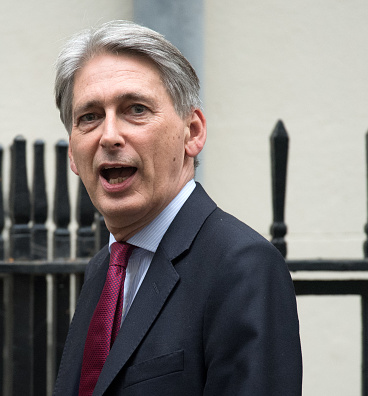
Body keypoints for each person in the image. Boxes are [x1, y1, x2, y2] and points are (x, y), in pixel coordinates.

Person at [52, 20, 302, 396]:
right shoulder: (103, 271)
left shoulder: (241, 266)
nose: (109, 135)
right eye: (89, 117)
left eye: (135, 109)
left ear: (193, 132)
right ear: (72, 152)